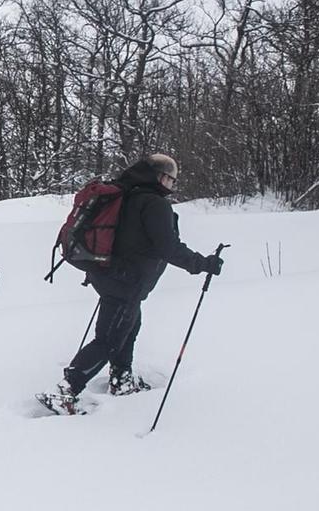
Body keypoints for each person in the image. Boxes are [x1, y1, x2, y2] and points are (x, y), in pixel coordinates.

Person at [49, 152, 221, 409]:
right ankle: (64, 391)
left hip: (108, 275)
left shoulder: (125, 193)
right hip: (126, 282)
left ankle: (121, 379)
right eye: (172, 180)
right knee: (109, 340)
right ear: (160, 177)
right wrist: (203, 264)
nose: (173, 185)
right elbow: (169, 248)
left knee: (128, 327)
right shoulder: (154, 204)